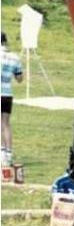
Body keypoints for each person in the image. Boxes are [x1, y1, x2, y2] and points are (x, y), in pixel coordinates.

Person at [1, 32, 24, 166]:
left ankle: (2, 152)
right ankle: (8, 154)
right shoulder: (14, 57)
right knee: (6, 124)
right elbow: (19, 79)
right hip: (7, 93)